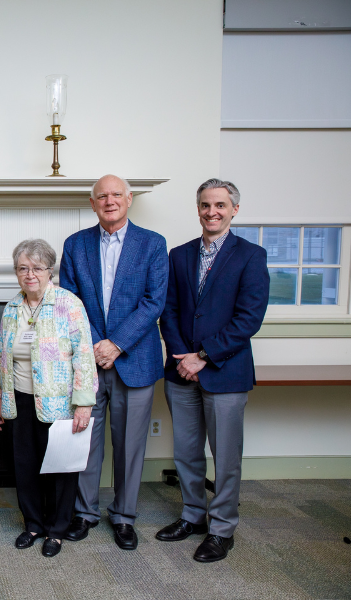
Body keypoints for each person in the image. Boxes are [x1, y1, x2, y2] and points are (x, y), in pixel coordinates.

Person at [157, 178, 268, 562]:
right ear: (198, 209)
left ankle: (222, 529)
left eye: (220, 205)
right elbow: (167, 310)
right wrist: (182, 356)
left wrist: (202, 356)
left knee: (225, 456)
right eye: (205, 205)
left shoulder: (251, 256)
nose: (212, 212)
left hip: (225, 371)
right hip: (180, 370)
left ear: (234, 209)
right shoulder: (179, 254)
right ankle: (193, 516)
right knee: (187, 452)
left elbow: (249, 319)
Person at [58, 174, 168, 550]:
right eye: (102, 196)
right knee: (84, 439)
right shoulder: (75, 244)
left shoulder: (153, 244)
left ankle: (123, 516)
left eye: (116, 194)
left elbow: (154, 301)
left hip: (135, 359)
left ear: (129, 199)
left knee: (129, 444)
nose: (110, 201)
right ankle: (85, 512)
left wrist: (116, 344)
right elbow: (70, 301)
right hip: (88, 361)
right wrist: (95, 346)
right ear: (92, 203)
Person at [0, 239, 97, 558]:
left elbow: (84, 356)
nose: (30, 274)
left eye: (37, 268)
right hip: (19, 400)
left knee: (61, 470)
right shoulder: (11, 308)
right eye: (23, 268)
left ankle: (57, 531)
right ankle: (33, 524)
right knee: (25, 467)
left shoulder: (69, 304)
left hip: (60, 404)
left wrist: (84, 402)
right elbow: (2, 357)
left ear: (50, 271)